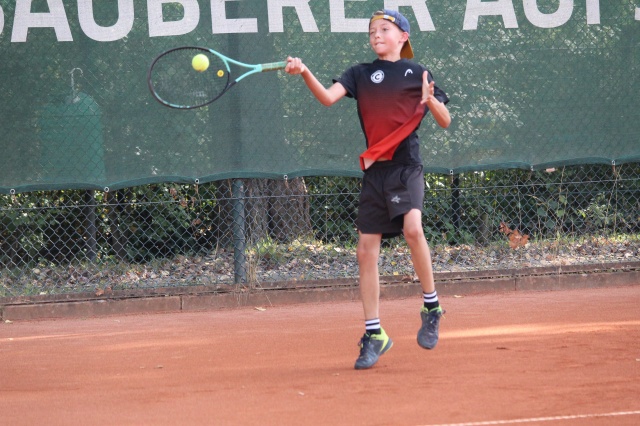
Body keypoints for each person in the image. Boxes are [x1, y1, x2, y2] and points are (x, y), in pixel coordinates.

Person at [285, 9, 451, 370]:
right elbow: (327, 98)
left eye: (384, 29)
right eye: (372, 30)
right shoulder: (359, 74)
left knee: (412, 229)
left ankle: (432, 307)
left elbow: (445, 120)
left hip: (405, 166)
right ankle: (374, 333)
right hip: (375, 172)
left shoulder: (417, 73)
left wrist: (430, 100)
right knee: (365, 251)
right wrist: (305, 72)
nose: (376, 34)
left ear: (403, 36)